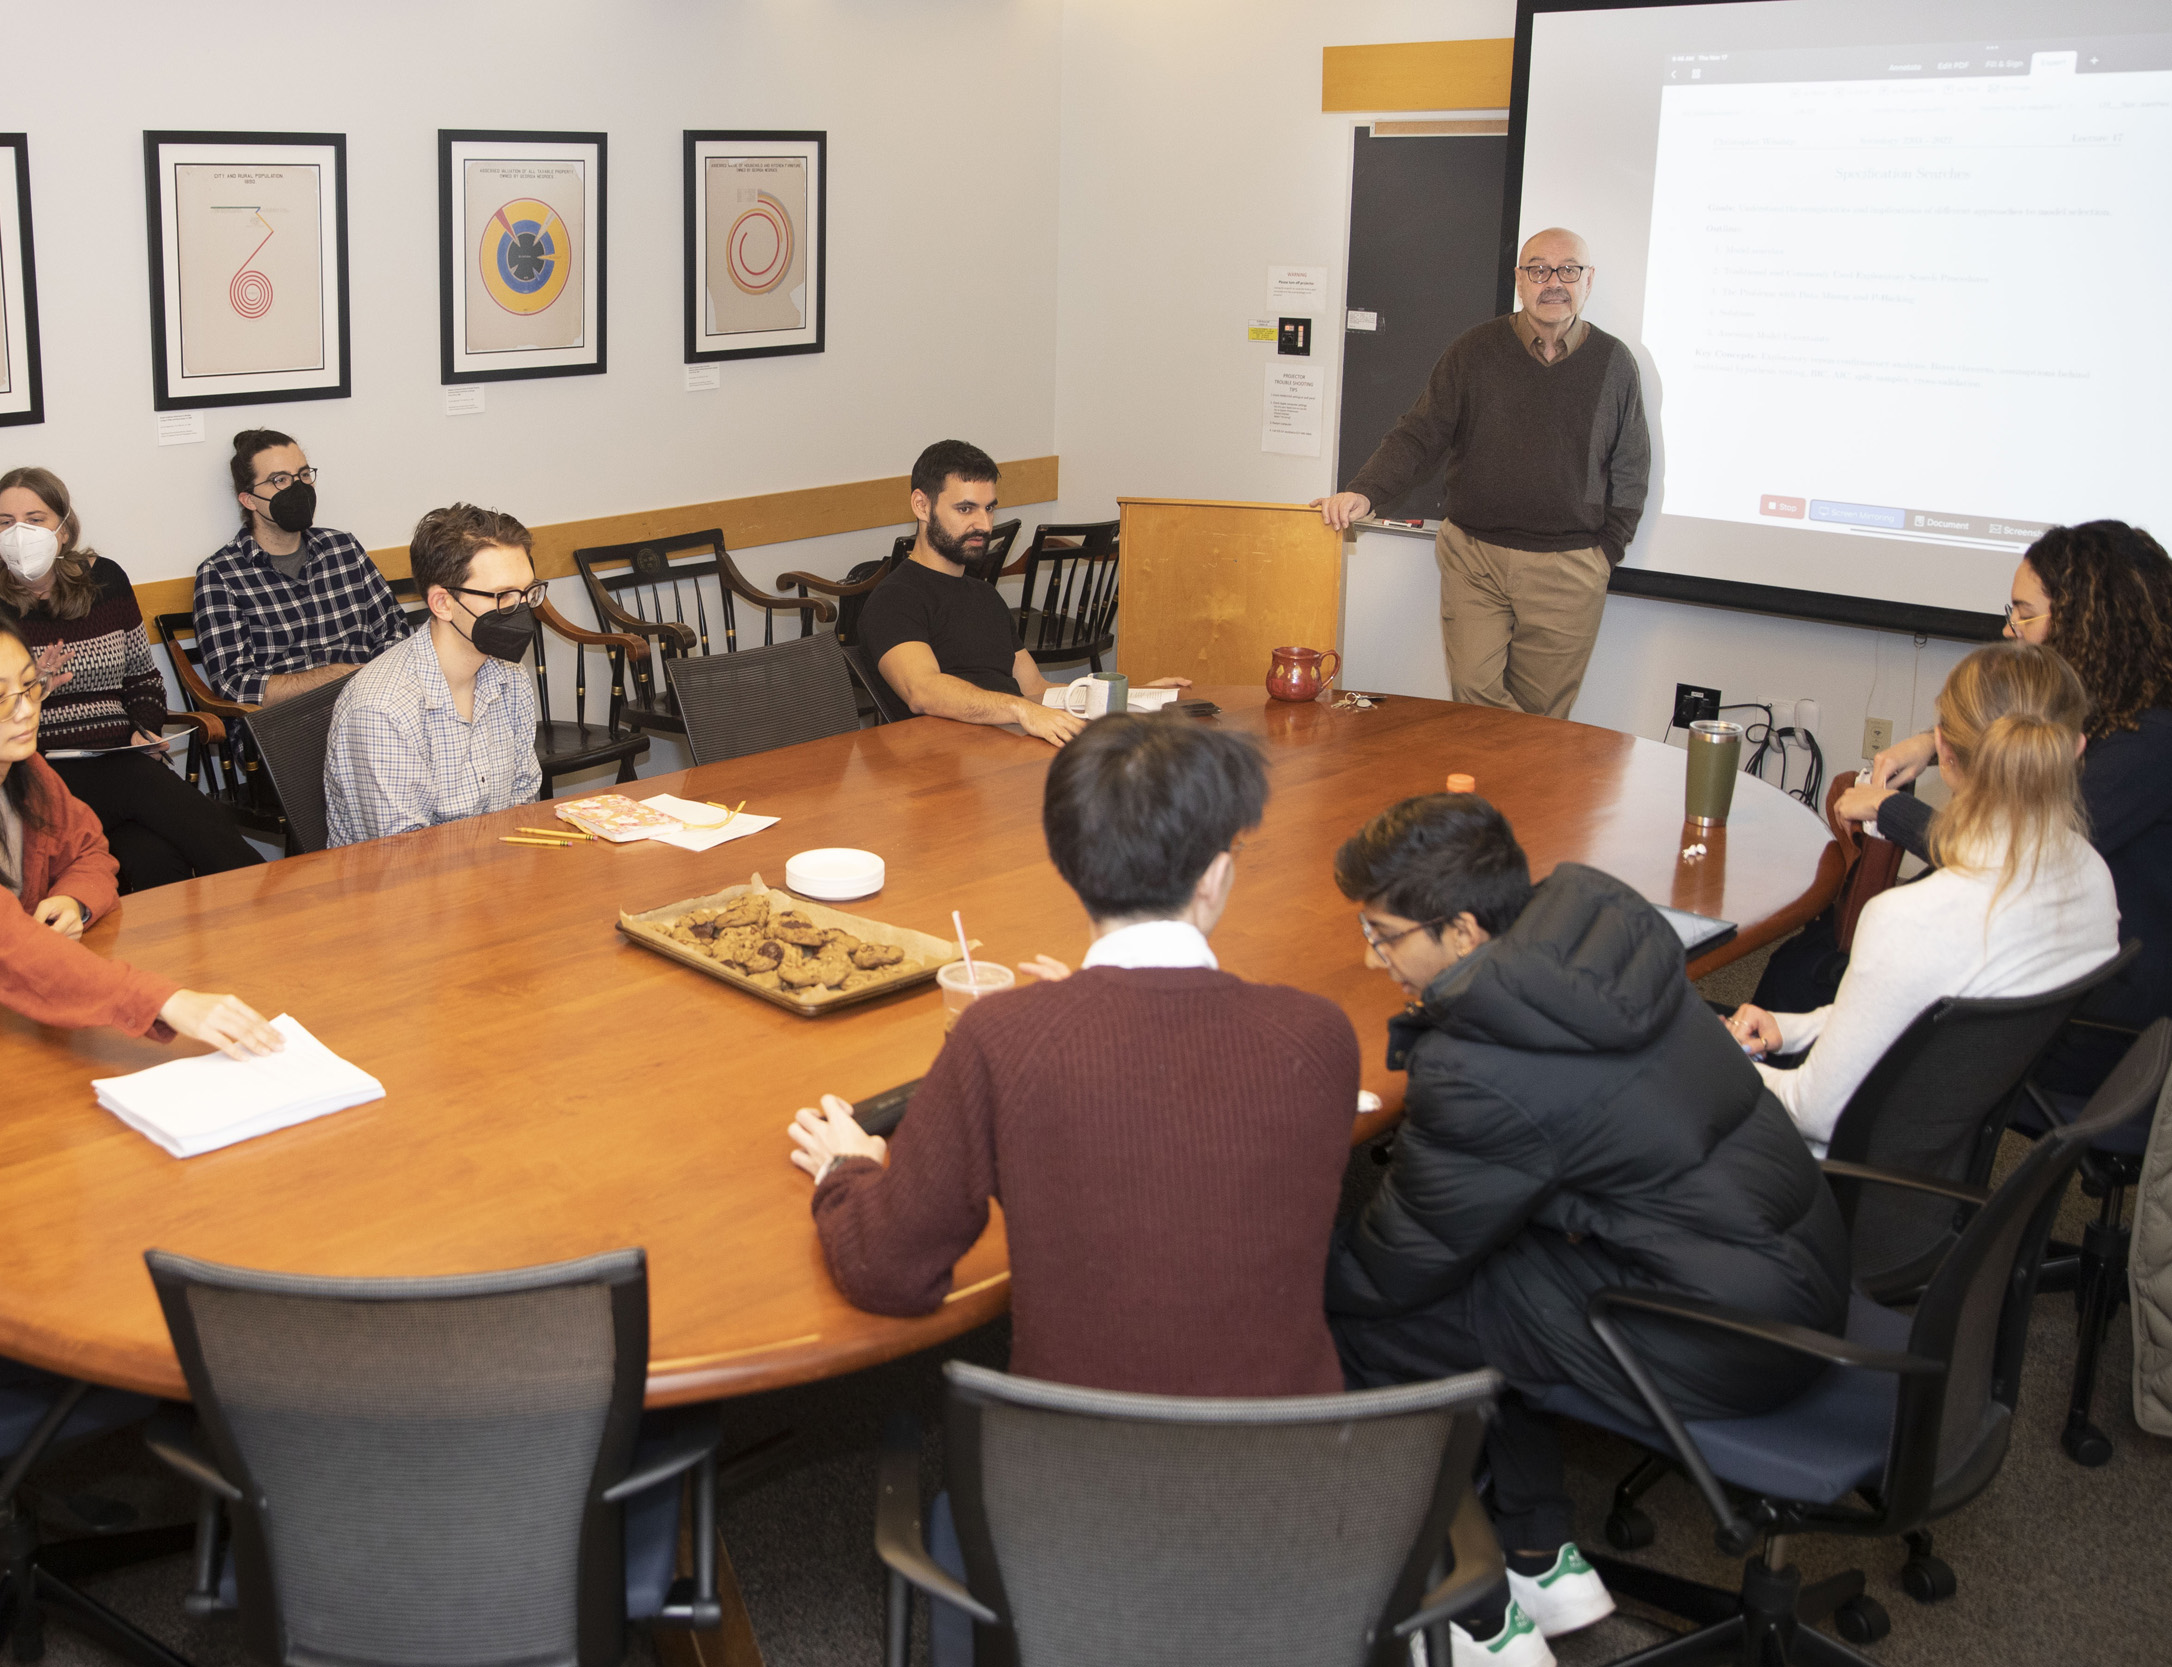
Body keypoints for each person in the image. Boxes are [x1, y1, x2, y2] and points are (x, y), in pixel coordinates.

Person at [1328, 794, 1848, 1667]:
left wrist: (1289, 1276)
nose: (1370, 955)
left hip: (1728, 1336)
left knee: (1370, 1318)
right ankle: (1538, 1552)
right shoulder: (1594, 927)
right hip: (1797, 1266)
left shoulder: (1482, 1062)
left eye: (1383, 936)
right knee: (1475, 1261)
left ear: (1461, 931)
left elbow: (1397, 1269)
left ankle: (1474, 1617)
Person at [788, 712, 1359, 1397]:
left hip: (1067, 1491)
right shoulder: (1319, 1035)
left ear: (1065, 861)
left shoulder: (1003, 1039)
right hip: (1307, 1479)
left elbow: (888, 1272)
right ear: (1217, 876)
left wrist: (847, 1168)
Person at [0, 598, 281, 1069]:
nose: (25, 712)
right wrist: (166, 1001)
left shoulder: (24, 769)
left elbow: (89, 849)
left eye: (30, 686)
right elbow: (11, 948)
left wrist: (75, 898)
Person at [1727, 642, 2120, 1147]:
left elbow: (1813, 1115)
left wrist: (1720, 1054)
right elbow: (1911, 1019)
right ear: (2077, 749)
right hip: (1930, 1169)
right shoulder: (2091, 878)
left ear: (1944, 752)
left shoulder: (1907, 918)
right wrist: (1792, 1028)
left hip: (1815, 1186)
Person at [1829, 522, 2171, 1089]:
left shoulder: (2149, 744)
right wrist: (1931, 747)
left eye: (2024, 614)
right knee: (1835, 965)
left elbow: (2004, 854)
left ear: (2088, 622)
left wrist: (1887, 809)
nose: (2008, 629)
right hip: (2058, 962)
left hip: (2096, 1019)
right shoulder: (2125, 708)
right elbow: (2029, 751)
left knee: (1834, 976)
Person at [1313, 229, 1650, 721]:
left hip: (1569, 569)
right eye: (1538, 269)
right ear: (1519, 280)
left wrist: (1607, 551)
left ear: (1587, 280)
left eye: (1568, 270)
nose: (1553, 282)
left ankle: (1510, 798)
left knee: (1541, 719)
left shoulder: (1614, 362)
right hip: (1475, 559)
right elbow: (1420, 433)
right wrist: (1365, 491)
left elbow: (1631, 465)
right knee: (1473, 694)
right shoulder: (1474, 351)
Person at [0, 467, 261, 893]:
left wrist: (144, 730)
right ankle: (265, 890)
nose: (19, 532)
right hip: (36, 770)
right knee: (144, 785)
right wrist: (29, 688)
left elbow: (142, 676)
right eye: (6, 522)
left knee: (154, 859)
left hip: (119, 756)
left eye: (34, 519)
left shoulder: (105, 580)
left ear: (63, 529)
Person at [860, 440, 1184, 746]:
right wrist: (1020, 711)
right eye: (965, 509)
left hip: (1000, 757)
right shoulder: (895, 599)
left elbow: (1035, 690)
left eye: (989, 509)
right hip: (941, 769)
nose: (984, 525)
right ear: (921, 505)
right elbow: (923, 690)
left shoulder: (985, 597)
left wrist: (1127, 698)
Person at [322, 503, 543, 848]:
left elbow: (523, 803)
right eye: (503, 597)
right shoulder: (384, 709)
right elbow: (404, 858)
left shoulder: (511, 676)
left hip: (494, 877)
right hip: (401, 892)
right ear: (442, 604)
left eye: (528, 593)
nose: (522, 610)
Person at [192, 430, 411, 708]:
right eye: (280, 480)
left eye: (304, 475)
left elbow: (396, 633)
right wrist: (337, 677)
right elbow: (234, 685)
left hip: (370, 706)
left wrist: (371, 687)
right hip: (289, 725)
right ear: (248, 500)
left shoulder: (343, 548)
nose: (299, 488)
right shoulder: (220, 575)